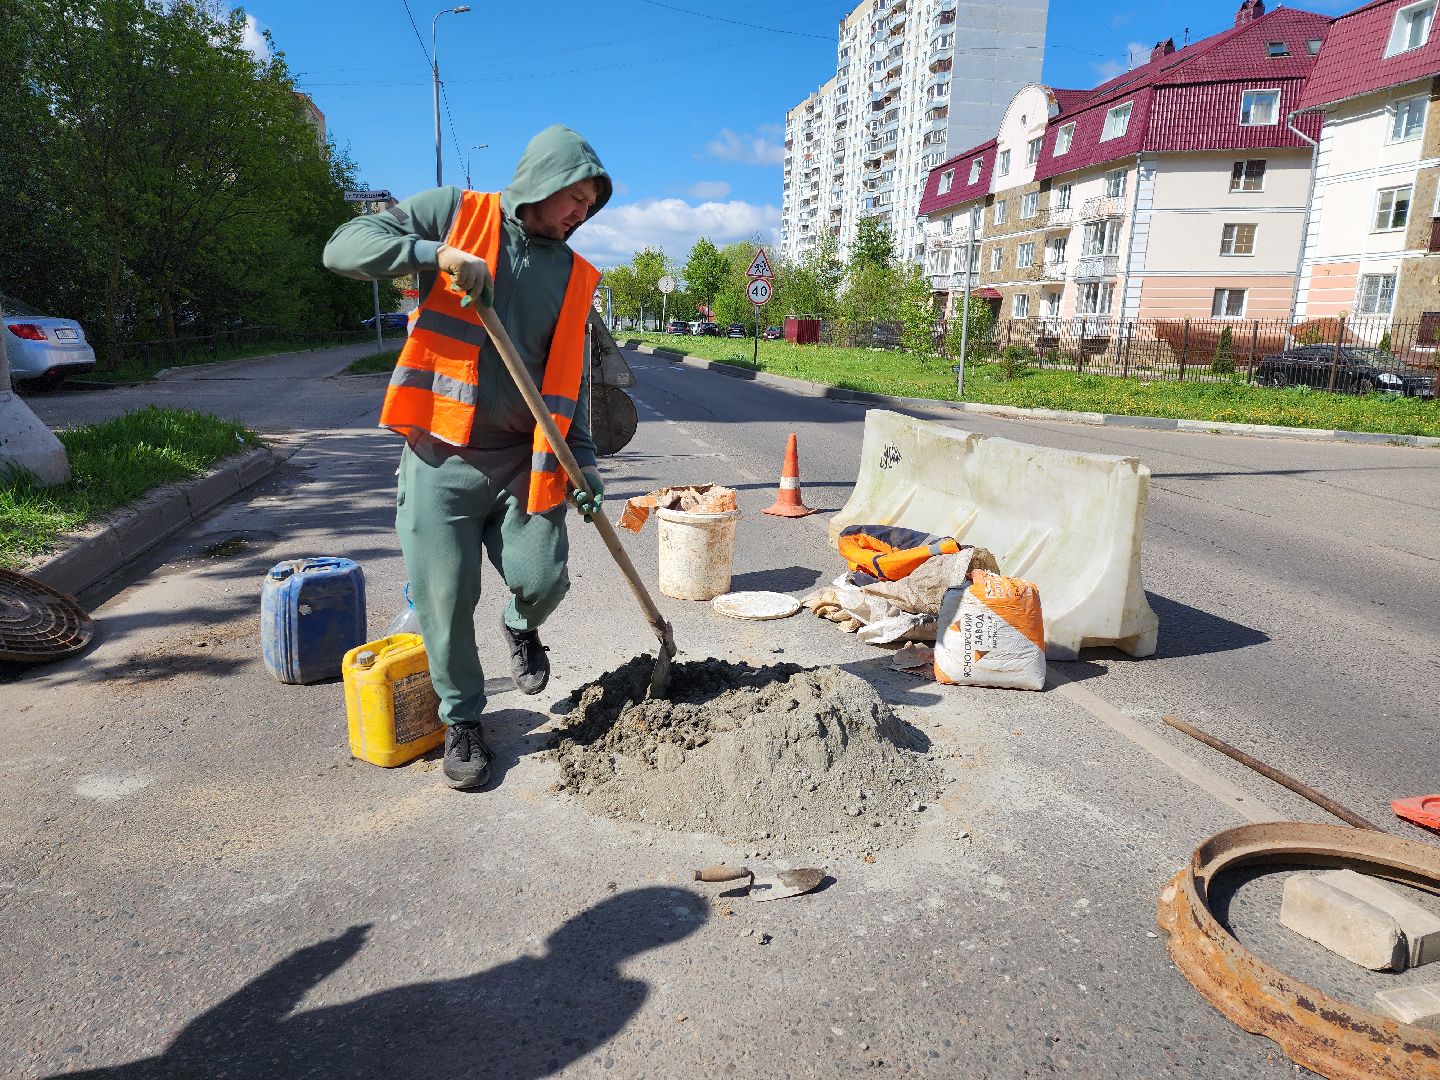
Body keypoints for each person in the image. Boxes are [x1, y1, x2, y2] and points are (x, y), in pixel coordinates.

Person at [323, 125, 611, 792]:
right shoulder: (454, 212)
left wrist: (586, 466)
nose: (581, 214)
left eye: (591, 205)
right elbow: (342, 248)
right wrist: (436, 253)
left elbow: (573, 385)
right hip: (440, 457)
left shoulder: (574, 275)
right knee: (444, 600)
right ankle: (464, 721)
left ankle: (521, 627)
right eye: (575, 197)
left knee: (544, 578)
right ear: (541, 180)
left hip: (524, 460)